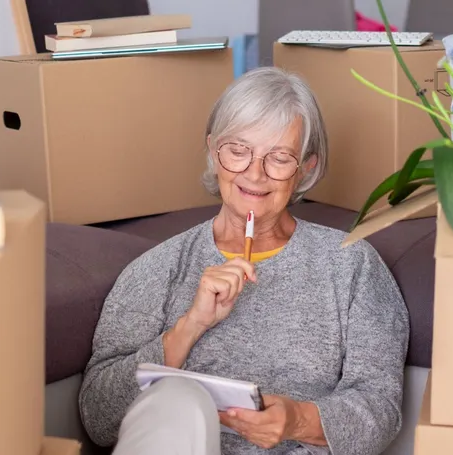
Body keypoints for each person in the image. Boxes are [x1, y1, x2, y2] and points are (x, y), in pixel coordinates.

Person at [78, 67, 410, 455]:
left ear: (306, 169)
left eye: (279, 158)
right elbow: (97, 418)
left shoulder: (351, 265)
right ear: (213, 152)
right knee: (179, 402)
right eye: (238, 151)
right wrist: (189, 327)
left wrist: (298, 419)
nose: (254, 174)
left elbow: (381, 407)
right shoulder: (156, 269)